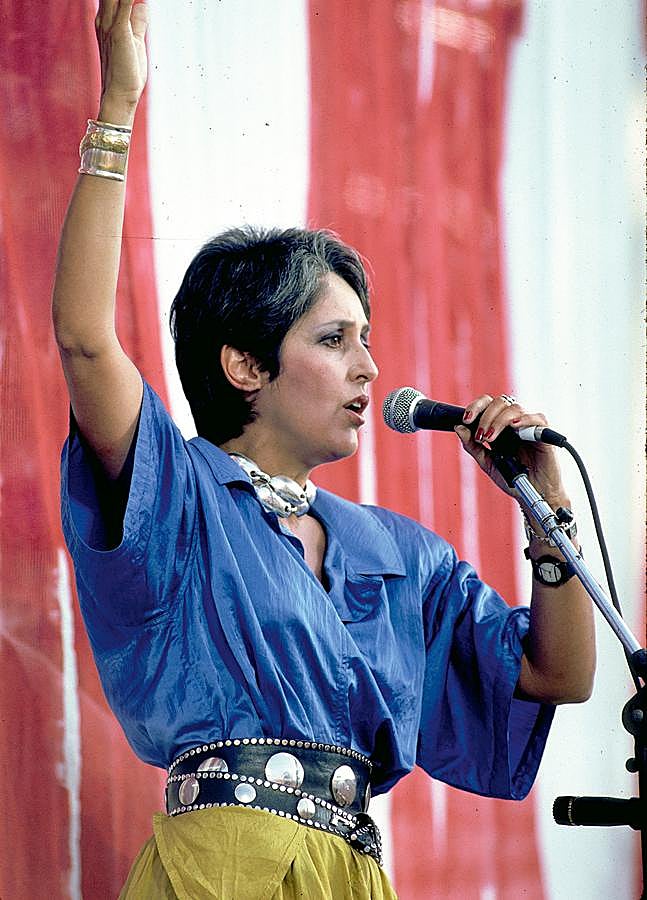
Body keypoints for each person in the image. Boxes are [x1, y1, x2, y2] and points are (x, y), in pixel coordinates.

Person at [52, 2, 596, 897]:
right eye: (335, 340)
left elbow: (557, 673)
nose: (369, 369)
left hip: (353, 872)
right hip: (222, 867)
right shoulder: (178, 492)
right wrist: (117, 102)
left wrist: (546, 513)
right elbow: (83, 337)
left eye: (368, 340)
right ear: (243, 364)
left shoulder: (397, 550)